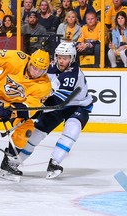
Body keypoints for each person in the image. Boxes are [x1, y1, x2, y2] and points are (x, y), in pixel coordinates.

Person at [17, 42, 93, 179]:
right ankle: (14, 162)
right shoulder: (50, 67)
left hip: (77, 106)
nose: (62, 60)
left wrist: (36, 110)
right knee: (36, 134)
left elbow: (58, 101)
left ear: (73, 58)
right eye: (59, 57)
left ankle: (55, 163)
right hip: (58, 106)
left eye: (66, 58)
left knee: (72, 130)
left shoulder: (73, 74)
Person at [0, 48, 52, 181]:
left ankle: (8, 164)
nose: (36, 72)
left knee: (26, 129)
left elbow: (30, 108)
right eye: (34, 67)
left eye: (41, 70)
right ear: (29, 62)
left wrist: (11, 111)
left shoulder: (44, 85)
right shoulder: (17, 58)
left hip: (12, 108)